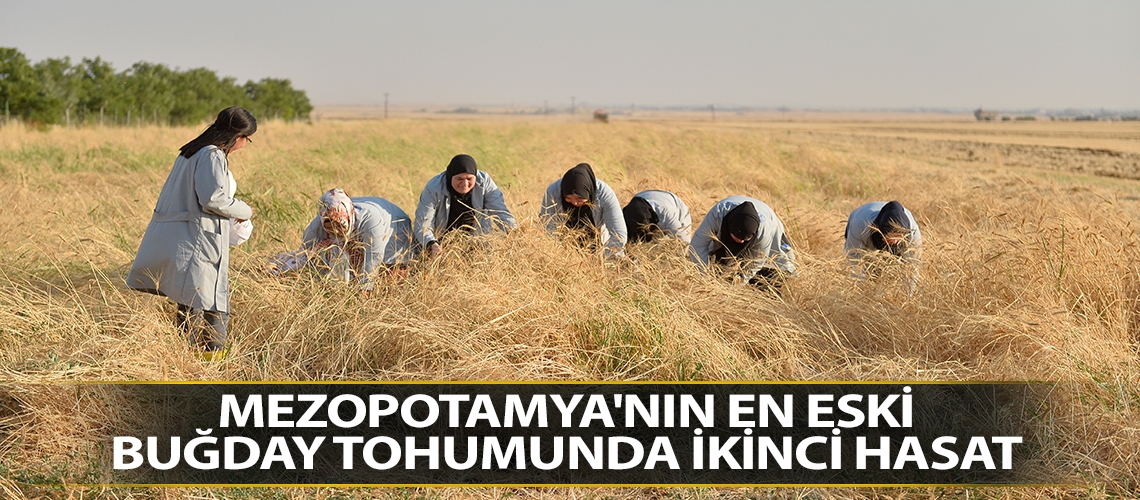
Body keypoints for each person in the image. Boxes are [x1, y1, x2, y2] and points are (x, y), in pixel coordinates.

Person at [126, 106, 256, 356]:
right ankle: (211, 366)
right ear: (237, 136)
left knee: (189, 304)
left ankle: (182, 361)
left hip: (185, 237)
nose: (245, 144)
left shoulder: (190, 152)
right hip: (199, 240)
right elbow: (213, 199)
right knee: (213, 307)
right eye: (247, 138)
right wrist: (244, 210)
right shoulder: (212, 155)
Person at [272, 188, 413, 290]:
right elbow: (303, 256)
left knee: (389, 275)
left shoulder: (371, 221)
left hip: (394, 224)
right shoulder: (316, 227)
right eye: (329, 225)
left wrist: (365, 290)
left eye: (339, 224)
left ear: (349, 216)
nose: (335, 230)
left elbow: (373, 257)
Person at [413, 154, 516, 258]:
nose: (465, 184)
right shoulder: (434, 187)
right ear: (450, 176)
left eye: (469, 178)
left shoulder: (485, 182)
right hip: (441, 243)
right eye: (459, 179)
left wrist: (515, 234)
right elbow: (423, 224)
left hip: (477, 242)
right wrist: (432, 244)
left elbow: (501, 212)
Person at [689, 196, 796, 291]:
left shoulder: (764, 231)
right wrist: (706, 279)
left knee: (767, 280)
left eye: (745, 240)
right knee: (718, 264)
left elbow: (757, 261)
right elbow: (697, 246)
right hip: (727, 229)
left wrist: (737, 285)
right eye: (738, 237)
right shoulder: (718, 214)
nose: (741, 242)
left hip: (770, 232)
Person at [540, 163, 628, 257]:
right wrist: (563, 257)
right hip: (565, 250)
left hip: (602, 247)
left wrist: (601, 258)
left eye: (579, 199)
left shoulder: (604, 193)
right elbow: (549, 231)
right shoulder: (553, 192)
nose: (575, 203)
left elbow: (619, 236)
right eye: (569, 199)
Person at [844, 200, 923, 294]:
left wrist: (908, 296)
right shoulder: (859, 225)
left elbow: (912, 267)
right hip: (861, 220)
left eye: (898, 237)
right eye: (890, 237)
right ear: (881, 232)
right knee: (870, 273)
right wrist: (863, 292)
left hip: (897, 239)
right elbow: (853, 260)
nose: (894, 241)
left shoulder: (913, 233)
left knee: (892, 273)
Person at [622, 190, 693, 244]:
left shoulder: (667, 215)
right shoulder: (625, 214)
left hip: (676, 206)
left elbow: (684, 242)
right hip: (645, 196)